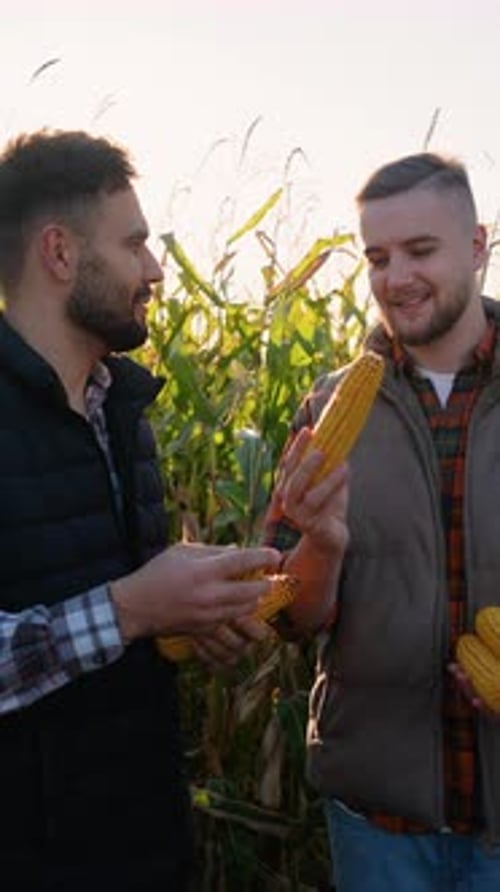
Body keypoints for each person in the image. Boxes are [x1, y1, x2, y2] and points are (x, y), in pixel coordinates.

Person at [0, 128, 281, 891]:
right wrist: (128, 611)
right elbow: (118, 609)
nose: (157, 269)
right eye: (136, 245)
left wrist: (187, 623)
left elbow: (119, 610)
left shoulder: (121, 411)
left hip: (143, 835)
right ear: (59, 254)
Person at [263, 152, 500, 891]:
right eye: (377, 257)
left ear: (476, 247)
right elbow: (291, 619)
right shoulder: (326, 411)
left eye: (420, 251)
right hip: (377, 822)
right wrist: (322, 547)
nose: (395, 278)